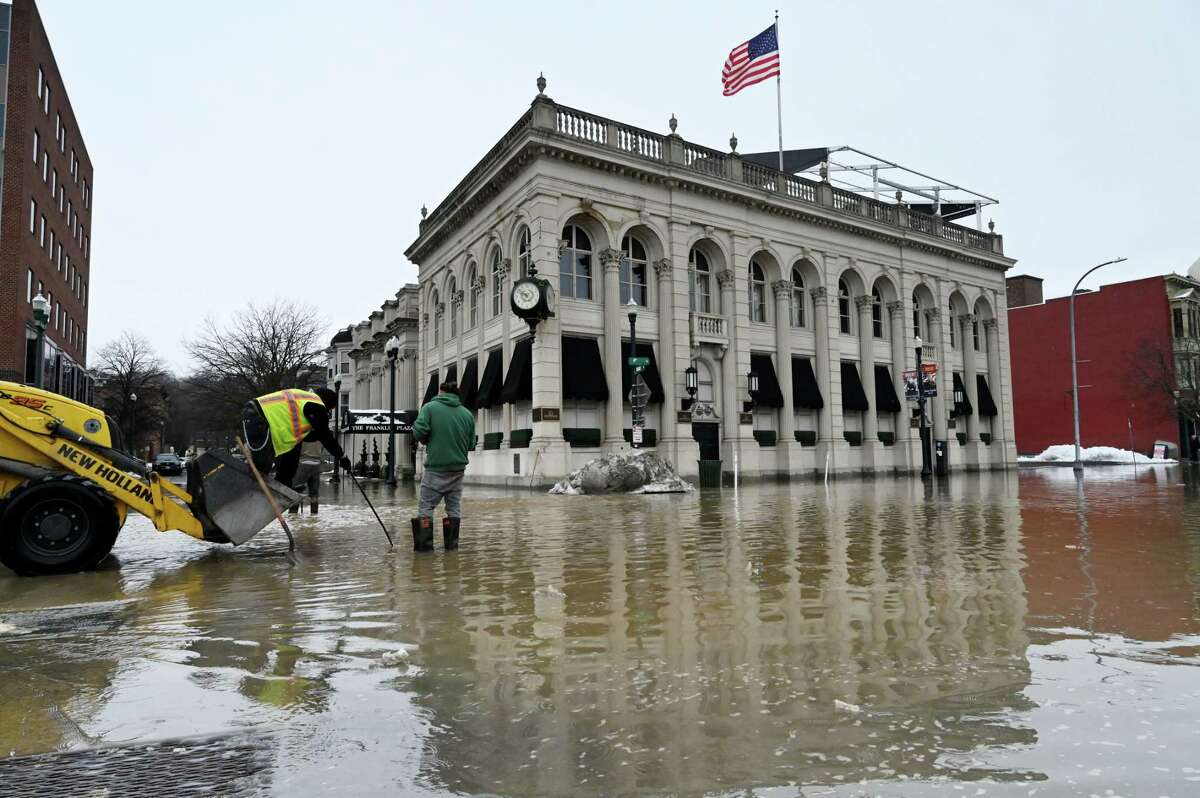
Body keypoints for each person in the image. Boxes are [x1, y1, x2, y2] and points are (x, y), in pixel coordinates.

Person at [241, 387, 351, 491]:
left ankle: (284, 483)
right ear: (328, 403)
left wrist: (319, 435)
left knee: (294, 446)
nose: (328, 413)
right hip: (259, 417)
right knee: (261, 466)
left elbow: (311, 436)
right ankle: (247, 494)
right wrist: (342, 457)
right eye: (330, 409)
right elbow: (326, 438)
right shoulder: (317, 405)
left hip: (256, 414)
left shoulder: (304, 400)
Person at [411, 381, 475, 552]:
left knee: (426, 507)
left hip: (435, 469)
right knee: (453, 509)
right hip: (458, 471)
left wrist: (424, 437)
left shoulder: (429, 408)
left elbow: (419, 432)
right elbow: (471, 444)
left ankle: (424, 553)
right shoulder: (467, 414)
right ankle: (451, 550)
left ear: (441, 392)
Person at [288, 440, 324, 514]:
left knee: (296, 491)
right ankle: (314, 515)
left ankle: (293, 515)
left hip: (303, 463)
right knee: (314, 494)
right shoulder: (320, 435)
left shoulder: (302, 434)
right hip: (316, 464)